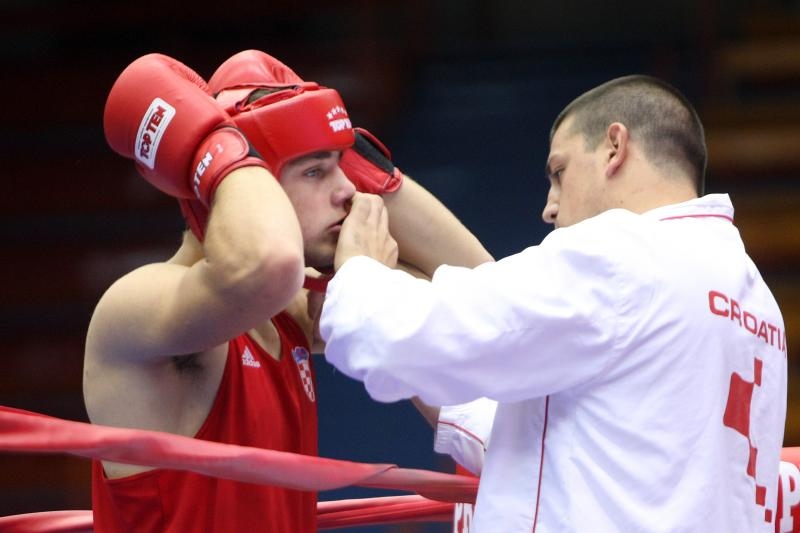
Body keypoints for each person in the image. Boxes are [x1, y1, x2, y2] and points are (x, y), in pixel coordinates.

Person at [319, 75, 788, 532]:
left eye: (559, 173)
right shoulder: (753, 297)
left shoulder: (622, 255)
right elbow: (548, 440)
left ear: (614, 147)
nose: (549, 206)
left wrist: (359, 264)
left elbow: (396, 334)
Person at [84, 51, 492, 532]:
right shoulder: (138, 308)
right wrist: (219, 148)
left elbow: (478, 292)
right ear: (244, 187)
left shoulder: (285, 315)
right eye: (315, 172)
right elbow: (265, 264)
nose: (350, 191)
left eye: (345, 168)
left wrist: (363, 162)